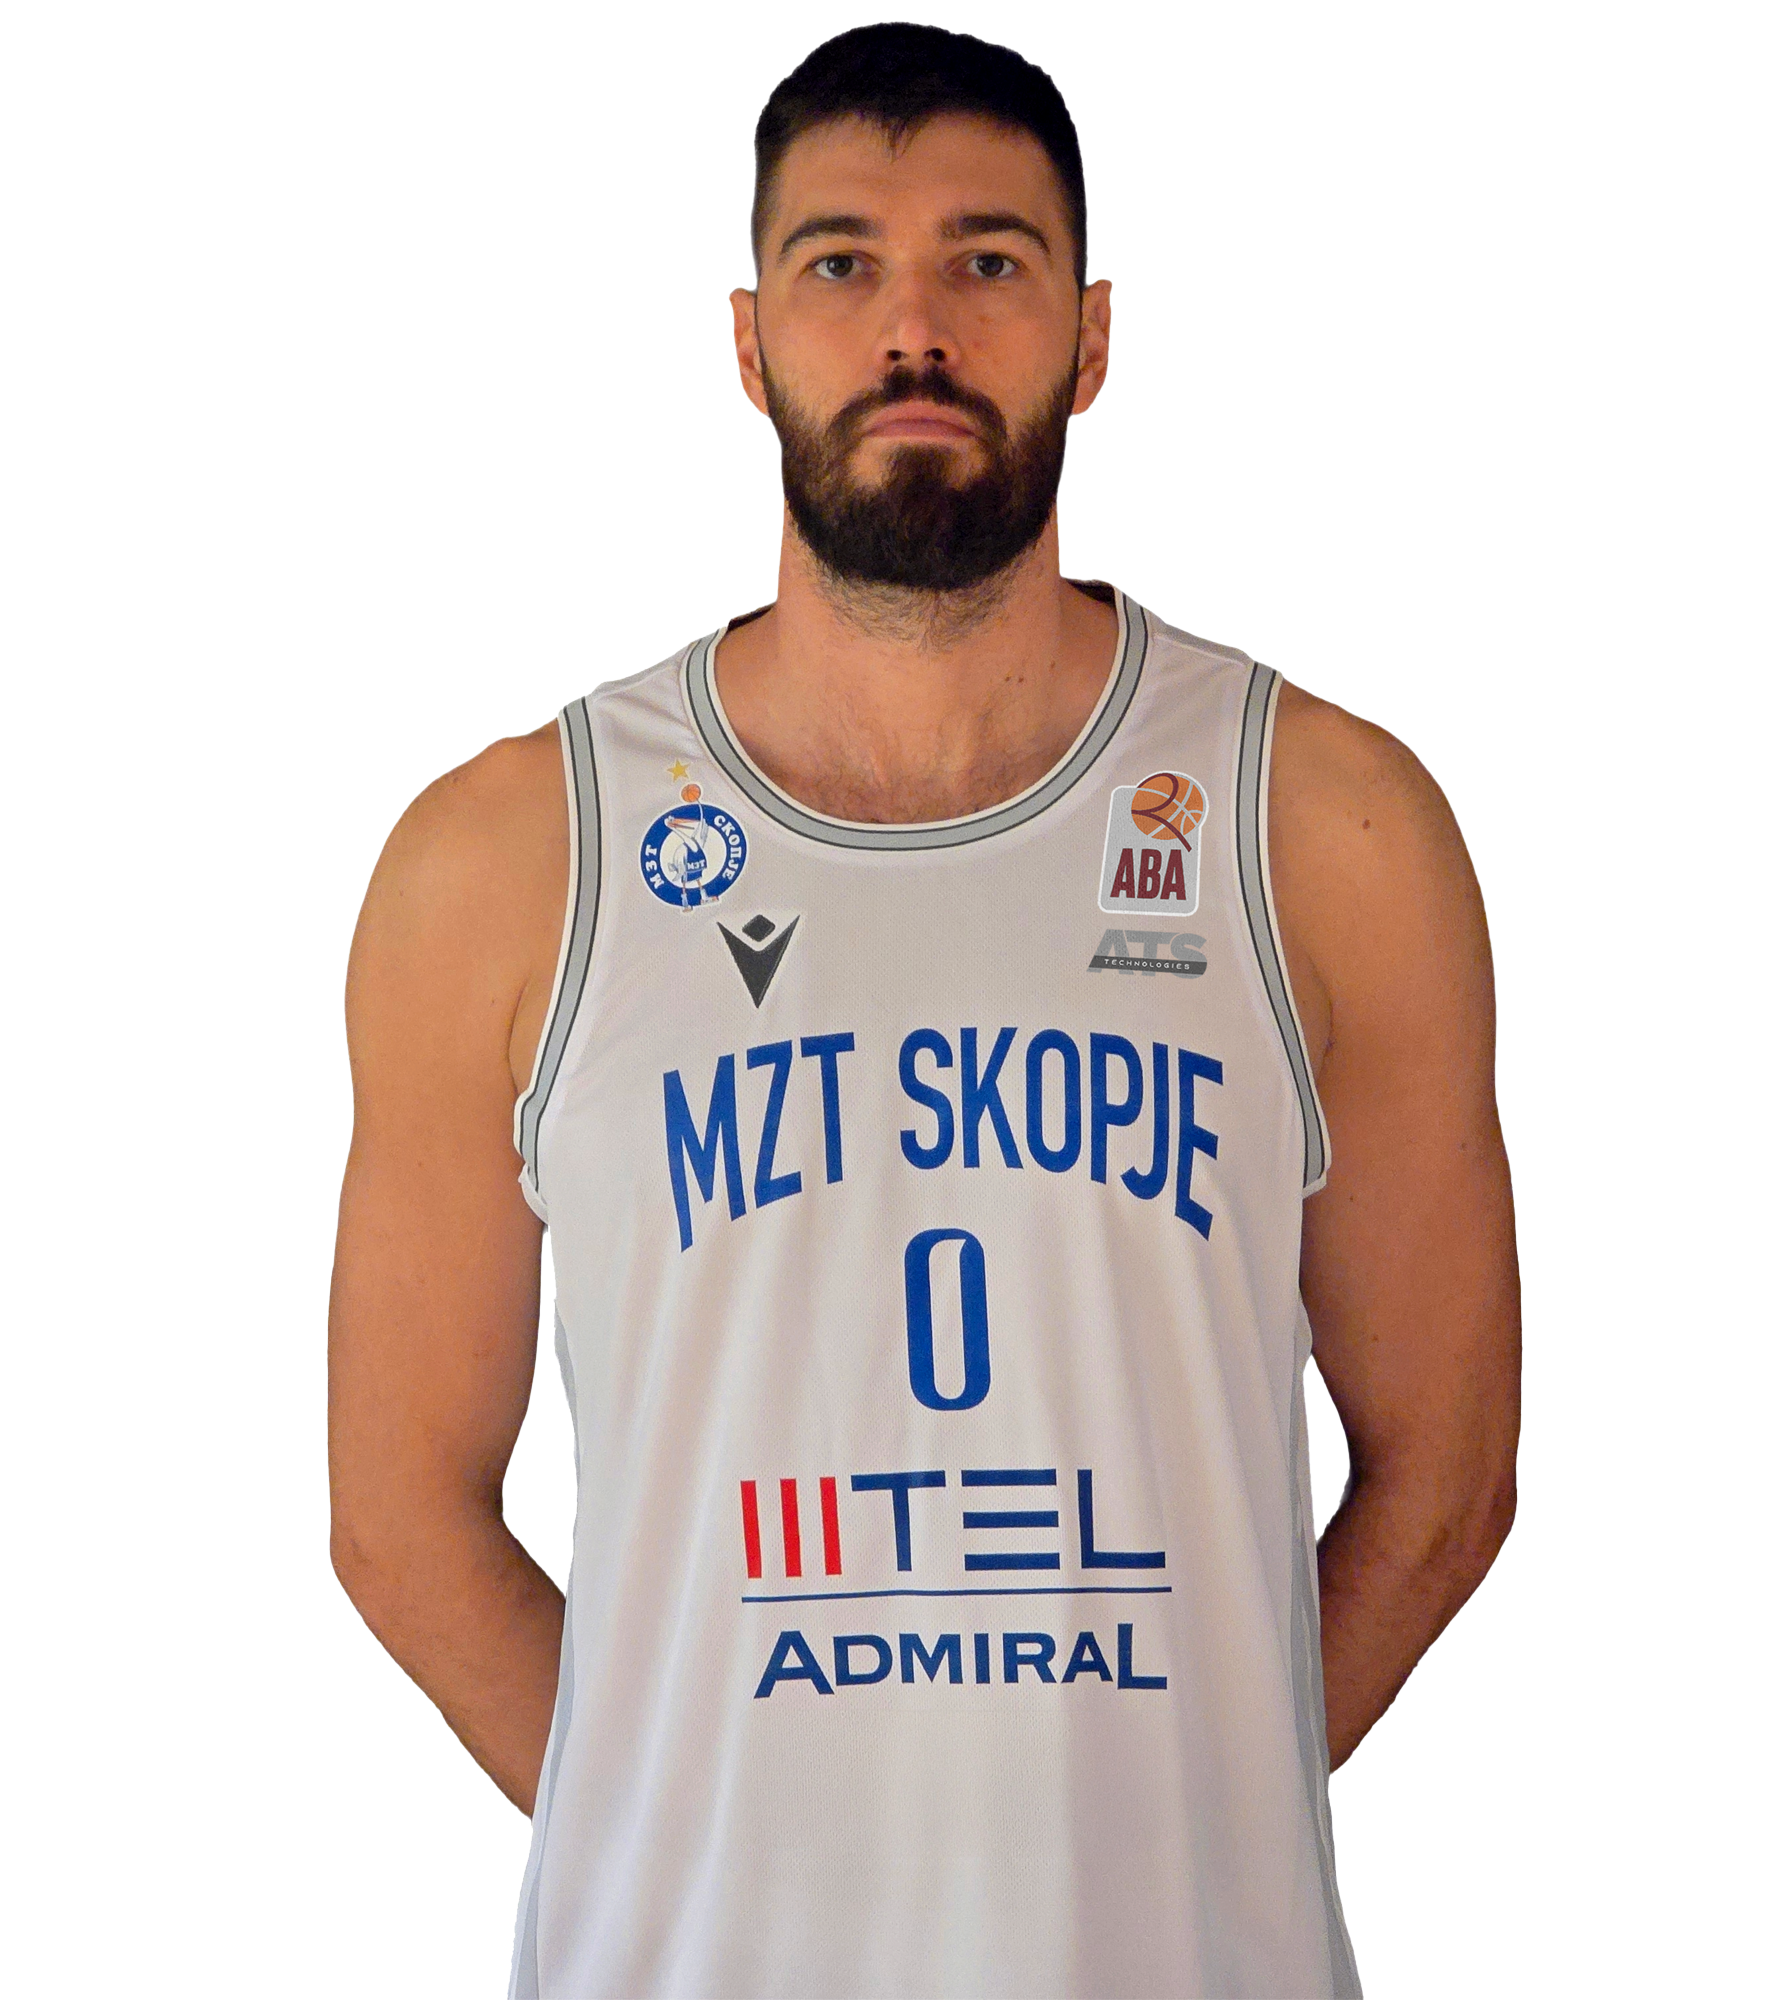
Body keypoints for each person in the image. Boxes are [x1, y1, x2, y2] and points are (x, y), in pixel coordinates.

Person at [328, 22, 1519, 1999]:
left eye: (987, 259)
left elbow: (1447, 1478)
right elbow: (397, 1515)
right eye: (839, 264)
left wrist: (1169, 1837)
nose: (913, 327)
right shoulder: (512, 858)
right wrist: (725, 1864)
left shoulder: (1323, 826)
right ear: (747, 341)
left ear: (1092, 332)